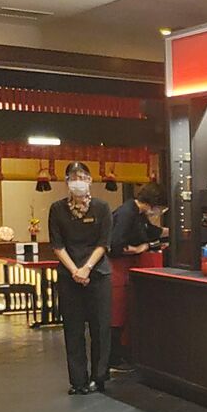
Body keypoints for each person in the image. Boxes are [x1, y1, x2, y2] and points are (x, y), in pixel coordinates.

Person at [49, 162, 112, 395]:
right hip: (69, 275)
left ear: (90, 181)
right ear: (67, 182)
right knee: (73, 328)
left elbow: (104, 243)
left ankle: (99, 377)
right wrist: (75, 271)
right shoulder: (57, 209)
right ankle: (78, 381)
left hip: (98, 273)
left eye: (83, 177)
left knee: (100, 327)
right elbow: (57, 245)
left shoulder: (102, 208)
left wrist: (86, 268)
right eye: (74, 177)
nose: (79, 182)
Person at [108, 182, 168, 372]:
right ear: (153, 203)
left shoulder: (137, 214)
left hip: (125, 270)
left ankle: (119, 355)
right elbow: (115, 245)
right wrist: (139, 248)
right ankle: (112, 358)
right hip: (117, 270)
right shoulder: (127, 213)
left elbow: (151, 231)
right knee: (116, 315)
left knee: (122, 313)